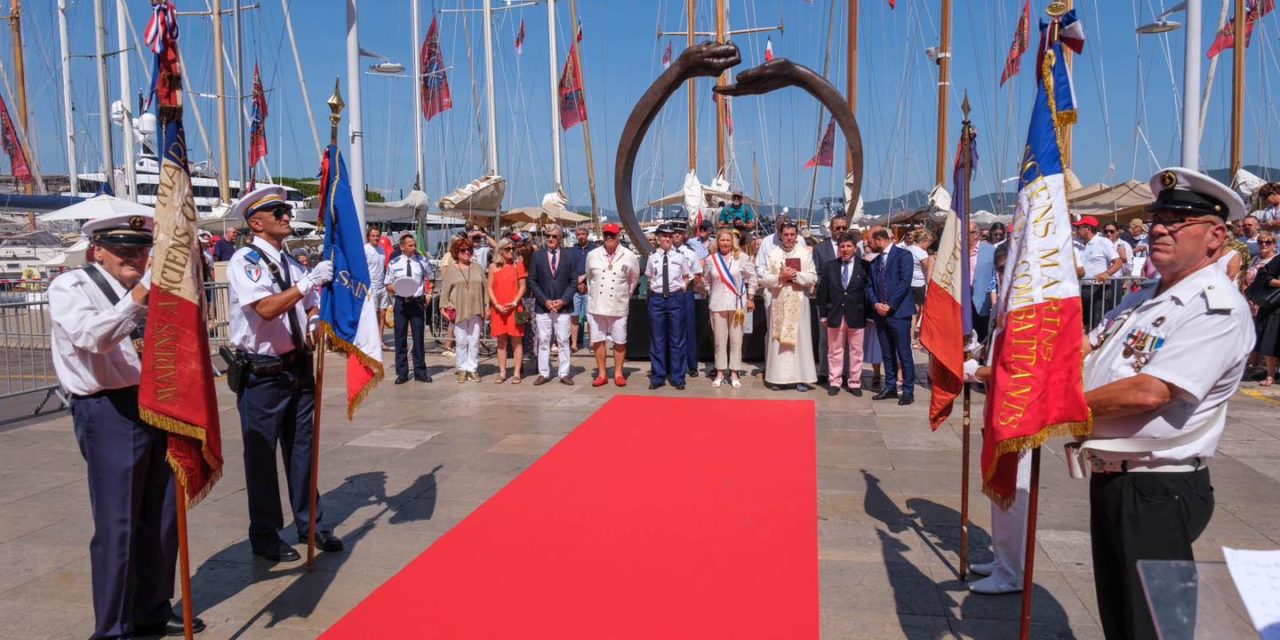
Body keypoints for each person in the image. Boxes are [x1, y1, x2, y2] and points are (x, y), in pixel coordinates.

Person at [1079, 167, 1253, 640]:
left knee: (1156, 627)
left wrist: (1058, 409)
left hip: (1160, 488)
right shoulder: (1145, 297)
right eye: (1158, 217)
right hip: (1115, 479)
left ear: (1215, 237)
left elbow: (1151, 391)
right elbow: (1084, 350)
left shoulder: (1216, 308)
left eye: (1177, 220)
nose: (1159, 228)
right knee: (1121, 618)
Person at [51, 213, 207, 638]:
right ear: (96, 249)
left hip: (157, 402)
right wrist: (141, 293)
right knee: (118, 523)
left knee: (162, 516)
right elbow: (93, 338)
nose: (134, 256)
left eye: (140, 248)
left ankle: (152, 608)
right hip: (109, 409)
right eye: (122, 249)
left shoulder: (149, 290)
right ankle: (114, 627)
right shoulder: (72, 286)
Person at [226, 186, 343, 563]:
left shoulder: (292, 263)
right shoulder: (246, 260)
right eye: (278, 212)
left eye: (287, 210)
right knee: (260, 458)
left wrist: (313, 322)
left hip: (297, 368)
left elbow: (308, 306)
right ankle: (265, 534)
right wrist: (309, 283)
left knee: (303, 453)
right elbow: (265, 308)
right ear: (256, 223)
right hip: (262, 374)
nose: (287, 216)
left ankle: (311, 524)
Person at [761, 221, 818, 391]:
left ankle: (800, 377)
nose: (789, 238)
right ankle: (778, 378)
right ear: (780, 235)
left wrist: (794, 276)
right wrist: (780, 277)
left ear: (797, 235)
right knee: (778, 339)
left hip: (799, 300)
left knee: (800, 339)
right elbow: (763, 278)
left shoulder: (805, 253)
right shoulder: (772, 254)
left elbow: (813, 277)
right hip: (778, 299)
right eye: (786, 234)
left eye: (792, 234)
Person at [584, 223, 640, 386]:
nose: (609, 238)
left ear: (618, 236)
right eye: (606, 235)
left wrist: (623, 295)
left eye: (612, 235)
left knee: (620, 340)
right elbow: (589, 277)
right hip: (597, 305)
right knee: (598, 340)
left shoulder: (629, 256)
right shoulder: (592, 255)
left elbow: (634, 280)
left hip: (618, 304)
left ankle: (618, 373)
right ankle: (602, 373)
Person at [867, 227, 917, 405]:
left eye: (870, 242)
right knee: (886, 352)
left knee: (904, 352)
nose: (868, 245)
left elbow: (905, 282)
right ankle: (890, 386)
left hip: (899, 313)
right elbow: (869, 286)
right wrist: (875, 304)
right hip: (880, 314)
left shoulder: (904, 256)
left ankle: (908, 389)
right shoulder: (875, 262)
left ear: (880, 240)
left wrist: (890, 305)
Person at [705, 228, 758, 388]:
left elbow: (752, 277)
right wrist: (711, 292)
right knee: (720, 342)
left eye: (728, 240)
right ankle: (720, 371)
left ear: (733, 242)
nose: (725, 243)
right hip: (718, 304)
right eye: (722, 240)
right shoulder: (711, 259)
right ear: (717, 242)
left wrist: (750, 296)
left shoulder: (742, 258)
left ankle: (735, 372)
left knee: (736, 340)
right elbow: (706, 279)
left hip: (737, 305)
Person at [817, 232, 868, 396]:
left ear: (855, 248)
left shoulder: (865, 266)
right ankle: (835, 381)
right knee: (835, 350)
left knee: (856, 350)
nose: (845, 249)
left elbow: (868, 292)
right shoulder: (830, 266)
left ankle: (854, 382)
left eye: (848, 246)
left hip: (857, 314)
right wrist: (823, 314)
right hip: (835, 314)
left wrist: (869, 315)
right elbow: (822, 291)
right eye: (842, 246)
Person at [527, 224, 580, 385]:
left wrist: (564, 300)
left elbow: (573, 281)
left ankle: (564, 373)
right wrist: (545, 301)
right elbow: (532, 280)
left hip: (563, 306)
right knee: (543, 340)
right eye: (548, 235)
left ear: (560, 239)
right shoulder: (537, 256)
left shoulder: (569, 256)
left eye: (554, 236)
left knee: (563, 340)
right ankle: (544, 372)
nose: (550, 239)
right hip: (543, 306)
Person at [645, 222, 695, 390]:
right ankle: (658, 376)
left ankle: (678, 377)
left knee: (677, 340)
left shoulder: (681, 256)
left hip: (675, 298)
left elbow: (687, 276)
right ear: (658, 238)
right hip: (657, 299)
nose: (667, 238)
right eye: (663, 236)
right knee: (657, 339)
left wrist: (681, 289)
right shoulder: (653, 257)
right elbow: (650, 277)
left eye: (669, 235)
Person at [385, 233, 434, 384]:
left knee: (418, 338)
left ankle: (420, 371)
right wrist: (399, 289)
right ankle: (402, 373)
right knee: (400, 338)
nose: (413, 248)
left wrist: (429, 294)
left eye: (414, 245)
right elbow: (388, 284)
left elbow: (431, 277)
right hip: (401, 302)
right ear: (402, 247)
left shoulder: (422, 261)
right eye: (410, 245)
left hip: (417, 303)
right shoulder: (394, 263)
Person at [441, 237, 488, 383]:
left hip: (476, 308)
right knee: (461, 341)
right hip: (458, 308)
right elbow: (445, 290)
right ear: (457, 252)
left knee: (474, 341)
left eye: (469, 250)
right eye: (463, 250)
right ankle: (462, 368)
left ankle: (472, 368)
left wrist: (487, 306)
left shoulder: (477, 267)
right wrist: (443, 307)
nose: (466, 253)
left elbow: (485, 288)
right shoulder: (452, 270)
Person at [813, 215, 849, 384]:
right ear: (831, 229)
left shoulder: (853, 247)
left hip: (848, 300)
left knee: (846, 339)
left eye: (844, 228)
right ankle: (824, 371)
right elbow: (816, 273)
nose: (841, 231)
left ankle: (845, 372)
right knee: (824, 338)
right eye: (838, 228)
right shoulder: (820, 248)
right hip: (826, 299)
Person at [488, 238, 527, 383]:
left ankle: (517, 373)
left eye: (513, 249)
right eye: (508, 249)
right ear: (500, 250)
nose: (511, 251)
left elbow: (523, 286)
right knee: (501, 342)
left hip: (517, 308)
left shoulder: (519, 264)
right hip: (498, 309)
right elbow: (489, 287)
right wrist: (496, 304)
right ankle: (502, 372)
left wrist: (515, 302)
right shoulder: (493, 267)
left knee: (518, 341)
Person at [1075, 215, 1123, 331]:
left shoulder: (1103, 242)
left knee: (1096, 324)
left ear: (1087, 229)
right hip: (1081, 289)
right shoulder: (1077, 244)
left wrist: (1107, 273)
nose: (1076, 230)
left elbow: (1118, 262)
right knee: (1082, 323)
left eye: (1079, 227)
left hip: (1098, 289)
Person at [671, 219, 704, 377]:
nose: (677, 235)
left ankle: (692, 365)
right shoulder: (664, 252)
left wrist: (687, 287)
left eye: (680, 233)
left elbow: (697, 275)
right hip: (669, 294)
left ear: (684, 235)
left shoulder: (691, 253)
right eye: (674, 232)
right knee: (672, 330)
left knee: (689, 329)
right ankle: (676, 365)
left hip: (686, 293)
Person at [569, 225, 598, 352]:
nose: (581, 237)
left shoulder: (594, 249)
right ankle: (574, 344)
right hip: (575, 288)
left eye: (583, 234)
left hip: (590, 287)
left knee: (590, 317)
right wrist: (577, 282)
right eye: (578, 234)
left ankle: (592, 344)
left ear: (587, 235)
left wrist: (584, 280)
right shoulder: (572, 250)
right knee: (574, 317)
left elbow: (596, 268)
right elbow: (569, 268)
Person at [900, 230, 930, 348]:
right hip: (918, 284)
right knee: (915, 312)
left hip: (908, 282)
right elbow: (929, 267)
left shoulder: (908, 249)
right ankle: (911, 338)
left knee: (912, 311)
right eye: (928, 242)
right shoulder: (922, 252)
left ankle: (909, 335)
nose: (929, 245)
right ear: (923, 241)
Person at [969, 222, 997, 342]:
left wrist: (994, 301)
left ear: (976, 234)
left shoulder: (990, 251)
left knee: (982, 338)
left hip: (982, 302)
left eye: (967, 232)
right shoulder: (958, 251)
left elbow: (994, 277)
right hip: (962, 301)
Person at [365, 227, 390, 348]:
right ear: (369, 237)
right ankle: (372, 340)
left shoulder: (381, 249)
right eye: (373, 236)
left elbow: (384, 267)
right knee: (373, 314)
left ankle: (380, 339)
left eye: (377, 236)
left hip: (382, 285)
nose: (376, 238)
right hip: (371, 286)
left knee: (382, 313)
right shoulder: (365, 249)